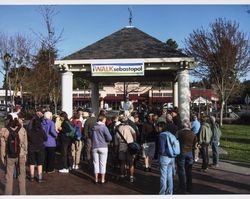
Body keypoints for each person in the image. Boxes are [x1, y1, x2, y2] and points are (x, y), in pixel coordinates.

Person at [0, 113, 28, 195]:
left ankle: (8, 195)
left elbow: (2, 145)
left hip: (9, 156)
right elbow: (25, 144)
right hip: (21, 155)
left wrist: (3, 157)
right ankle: (22, 195)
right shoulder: (22, 130)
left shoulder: (4, 130)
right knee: (22, 177)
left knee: (8, 178)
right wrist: (25, 153)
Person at [114, 115, 137, 183]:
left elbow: (116, 142)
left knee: (122, 162)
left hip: (121, 146)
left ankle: (122, 174)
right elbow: (134, 133)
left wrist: (116, 149)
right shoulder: (129, 127)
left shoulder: (118, 129)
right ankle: (131, 177)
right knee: (131, 163)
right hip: (130, 146)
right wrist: (134, 141)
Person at [177, 120, 197, 194]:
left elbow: (176, 141)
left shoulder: (179, 133)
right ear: (189, 126)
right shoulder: (193, 134)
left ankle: (182, 187)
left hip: (181, 152)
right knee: (189, 171)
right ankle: (189, 187)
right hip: (189, 153)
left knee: (181, 170)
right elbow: (195, 144)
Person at [91, 114, 112, 184]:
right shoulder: (104, 127)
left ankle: (96, 179)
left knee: (95, 163)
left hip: (94, 146)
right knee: (103, 164)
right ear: (102, 119)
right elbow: (109, 138)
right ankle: (102, 179)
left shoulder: (93, 127)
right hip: (103, 146)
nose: (105, 121)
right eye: (105, 119)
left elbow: (91, 136)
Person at [156, 121, 175, 195]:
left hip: (164, 157)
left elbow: (162, 149)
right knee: (169, 176)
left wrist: (159, 155)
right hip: (171, 157)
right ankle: (169, 192)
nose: (157, 128)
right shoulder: (170, 134)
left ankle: (162, 193)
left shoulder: (161, 135)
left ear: (161, 127)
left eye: (158, 127)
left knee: (163, 176)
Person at [27, 116, 47, 182]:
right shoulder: (42, 131)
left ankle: (32, 177)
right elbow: (45, 138)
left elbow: (28, 139)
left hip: (31, 148)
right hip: (40, 147)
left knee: (31, 162)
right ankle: (40, 177)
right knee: (40, 163)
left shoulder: (30, 131)